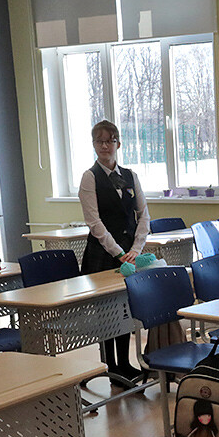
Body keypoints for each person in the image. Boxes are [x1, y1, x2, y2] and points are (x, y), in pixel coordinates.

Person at [78, 119, 150, 384]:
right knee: (106, 313)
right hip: (102, 254)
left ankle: (125, 363)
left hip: (129, 253)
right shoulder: (90, 177)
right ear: (94, 144)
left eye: (110, 141)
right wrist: (119, 253)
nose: (105, 146)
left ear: (118, 144)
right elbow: (94, 222)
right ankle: (111, 366)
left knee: (124, 310)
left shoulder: (130, 175)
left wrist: (135, 249)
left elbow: (143, 215)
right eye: (99, 141)